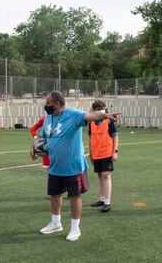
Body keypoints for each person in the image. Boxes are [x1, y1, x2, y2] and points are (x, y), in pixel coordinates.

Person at [30, 91, 120, 241]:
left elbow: (91, 116)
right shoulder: (48, 118)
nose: (45, 106)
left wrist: (104, 115)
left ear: (57, 104)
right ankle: (55, 223)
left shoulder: (73, 114)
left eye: (48, 103)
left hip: (74, 166)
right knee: (54, 195)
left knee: (74, 196)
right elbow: (43, 136)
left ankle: (75, 228)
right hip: (55, 166)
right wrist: (33, 147)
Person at [89, 100, 119, 213]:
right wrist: (91, 153)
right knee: (100, 176)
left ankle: (107, 202)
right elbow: (90, 138)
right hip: (96, 153)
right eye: (97, 109)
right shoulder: (91, 122)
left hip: (107, 152)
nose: (100, 111)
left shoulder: (109, 121)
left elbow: (115, 136)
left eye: (101, 108)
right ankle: (101, 199)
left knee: (106, 176)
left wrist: (115, 151)